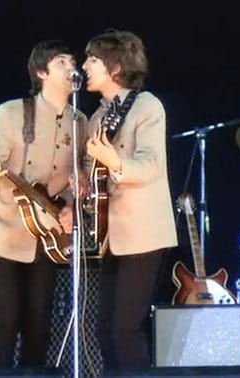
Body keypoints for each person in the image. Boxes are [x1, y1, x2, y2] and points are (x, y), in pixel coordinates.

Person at [0, 40, 87, 367]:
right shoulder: (10, 113)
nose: (71, 67)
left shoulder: (79, 122)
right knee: (6, 318)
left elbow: (74, 179)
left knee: (39, 325)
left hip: (46, 235)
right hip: (2, 233)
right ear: (41, 72)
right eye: (61, 62)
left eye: (72, 61)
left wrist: (68, 207)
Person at [81, 30, 178, 370]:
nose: (84, 66)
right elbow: (94, 179)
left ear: (116, 67)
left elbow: (151, 165)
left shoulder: (147, 106)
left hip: (143, 232)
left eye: (93, 60)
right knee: (104, 329)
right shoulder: (95, 118)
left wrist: (113, 161)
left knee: (125, 328)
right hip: (110, 235)